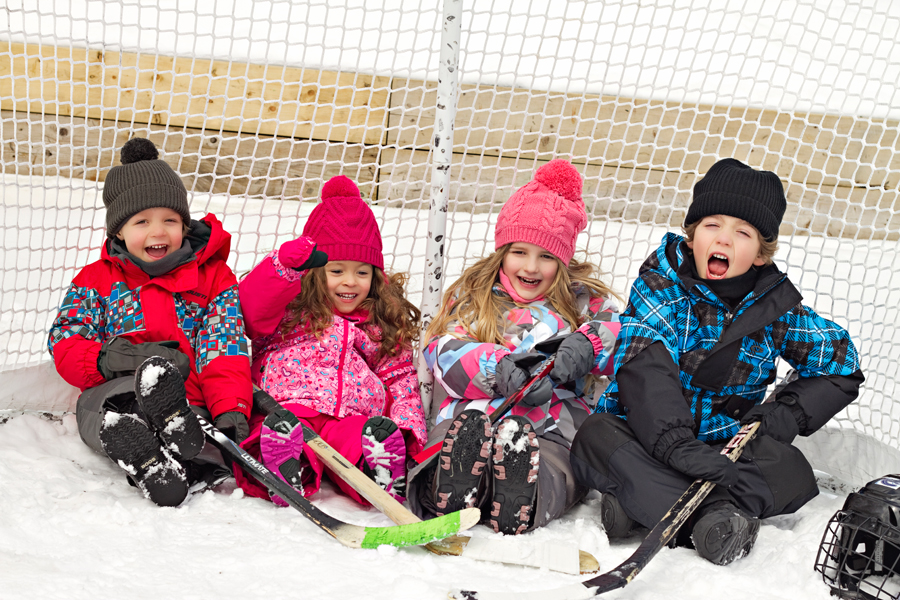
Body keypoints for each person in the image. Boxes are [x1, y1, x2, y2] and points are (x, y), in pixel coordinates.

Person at [570, 158, 865, 565]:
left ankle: (640, 502)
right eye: (712, 225)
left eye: (742, 233)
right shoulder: (660, 285)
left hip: (725, 448)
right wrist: (675, 445)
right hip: (646, 434)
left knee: (790, 473)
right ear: (692, 237)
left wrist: (787, 412)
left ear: (760, 254)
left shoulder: (775, 307)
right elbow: (645, 365)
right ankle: (712, 518)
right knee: (594, 435)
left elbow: (841, 364)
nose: (723, 239)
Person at [406, 159, 621, 535]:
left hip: (550, 428)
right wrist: (496, 368)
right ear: (502, 250)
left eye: (547, 256)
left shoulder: (583, 302)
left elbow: (622, 335)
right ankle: (451, 489)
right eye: (520, 251)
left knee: (557, 467)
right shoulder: (474, 296)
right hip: (472, 417)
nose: (532, 267)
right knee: (452, 447)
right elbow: (443, 350)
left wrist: (584, 347)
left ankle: (524, 496)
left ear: (564, 260)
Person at [48, 137, 253, 507]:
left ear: (184, 226)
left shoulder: (213, 279)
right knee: (101, 411)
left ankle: (179, 447)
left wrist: (231, 409)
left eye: (170, 220)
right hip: (119, 388)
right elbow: (66, 338)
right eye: (142, 221)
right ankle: (150, 458)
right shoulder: (97, 280)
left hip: (191, 402)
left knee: (200, 433)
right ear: (118, 231)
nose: (158, 232)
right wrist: (111, 358)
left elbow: (224, 347)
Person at [236, 175, 427, 505]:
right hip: (290, 406)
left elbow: (400, 379)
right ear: (314, 271)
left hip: (350, 418)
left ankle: (378, 470)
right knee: (279, 428)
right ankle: (281, 467)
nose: (350, 282)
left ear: (376, 276)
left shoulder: (377, 322)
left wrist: (406, 432)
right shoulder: (291, 308)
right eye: (336, 271)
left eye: (362, 272)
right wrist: (283, 267)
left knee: (363, 437)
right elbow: (251, 308)